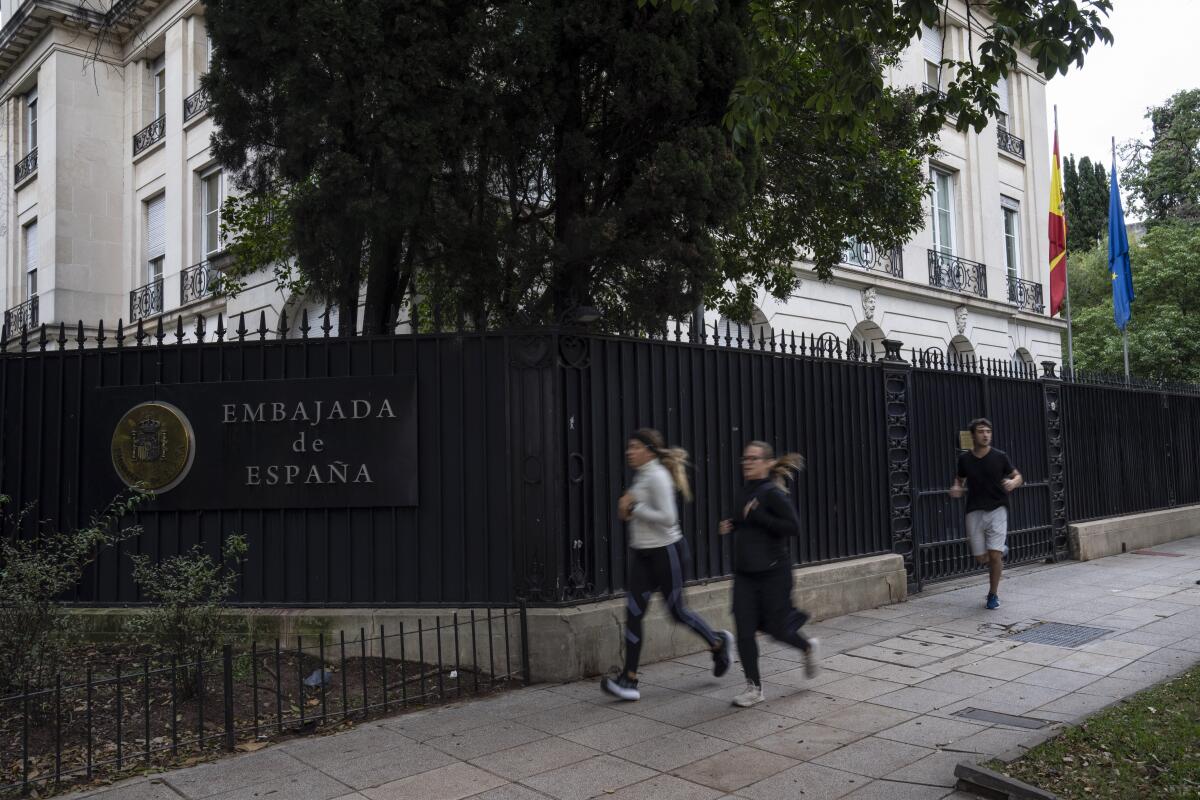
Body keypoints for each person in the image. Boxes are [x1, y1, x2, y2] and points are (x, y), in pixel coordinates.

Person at [601, 428, 734, 701]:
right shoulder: (642, 476)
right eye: (629, 447)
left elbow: (668, 517)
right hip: (642, 555)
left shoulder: (658, 476)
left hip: (667, 553)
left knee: (677, 612)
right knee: (634, 613)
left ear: (649, 450)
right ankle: (629, 680)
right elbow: (625, 511)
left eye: (635, 447)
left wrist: (634, 508)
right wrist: (627, 507)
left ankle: (718, 643)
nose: (629, 451)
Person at [719, 441, 819, 708]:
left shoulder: (773, 493)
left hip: (774, 572)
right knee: (743, 629)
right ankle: (754, 687)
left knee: (777, 629)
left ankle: (807, 647)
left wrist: (760, 515)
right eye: (745, 458)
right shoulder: (743, 492)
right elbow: (745, 520)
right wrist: (733, 524)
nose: (747, 463)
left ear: (766, 463)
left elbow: (793, 527)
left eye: (753, 458)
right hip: (745, 574)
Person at [949, 417, 1023, 610]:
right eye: (981, 431)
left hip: (998, 509)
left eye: (988, 431)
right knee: (981, 558)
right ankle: (1000, 550)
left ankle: (993, 594)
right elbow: (959, 478)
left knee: (995, 556)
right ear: (973, 435)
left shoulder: (1000, 456)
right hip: (974, 510)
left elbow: (1017, 476)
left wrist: (1013, 483)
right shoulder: (965, 459)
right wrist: (957, 486)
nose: (985, 435)